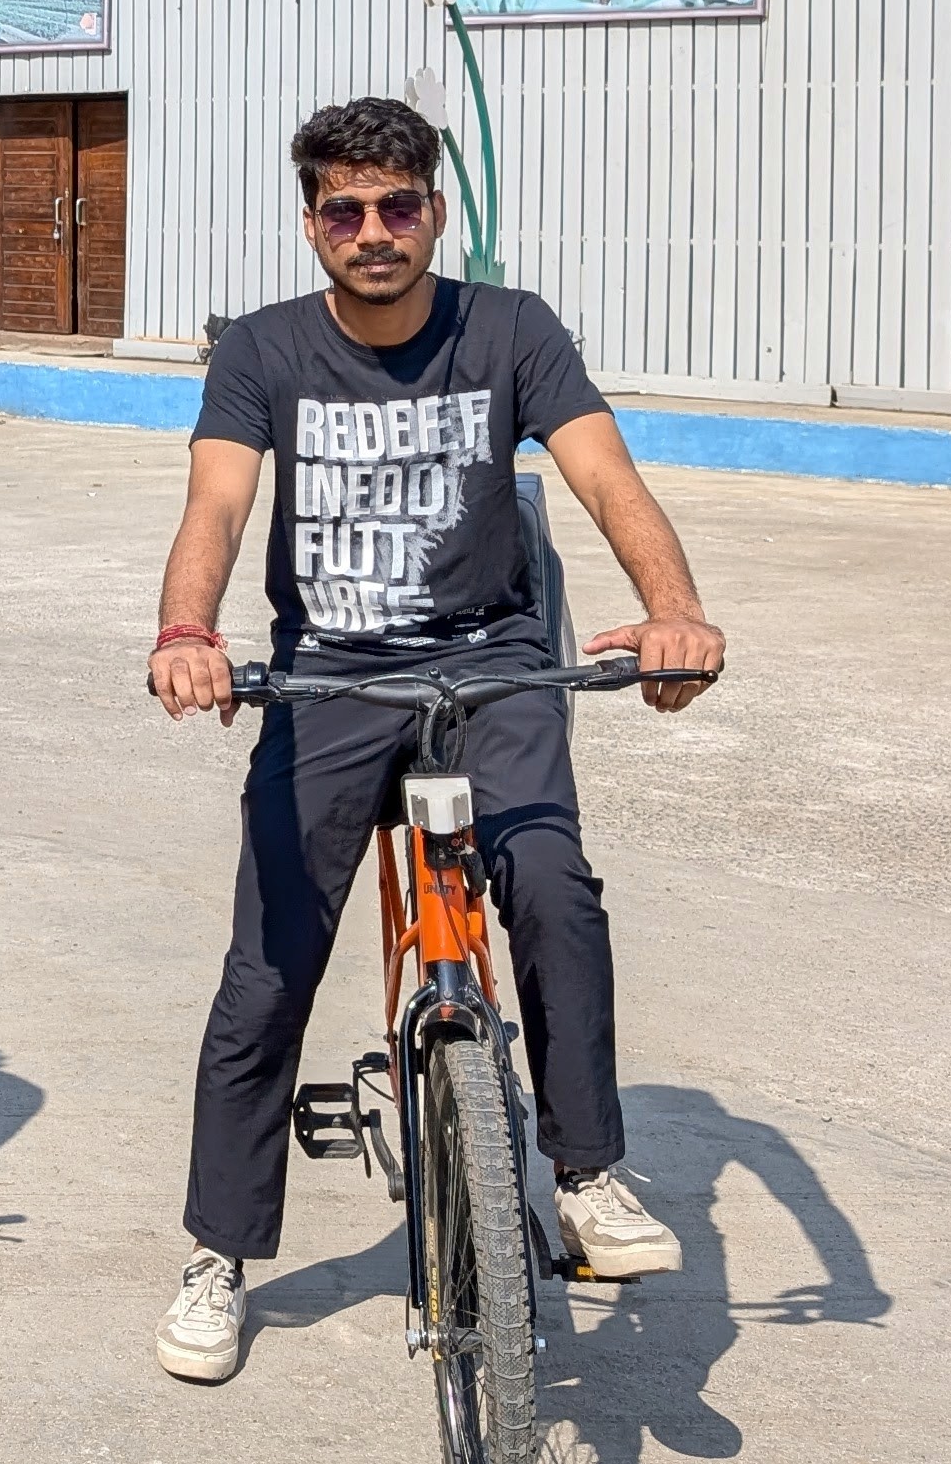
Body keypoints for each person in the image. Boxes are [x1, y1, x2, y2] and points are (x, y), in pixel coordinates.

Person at [146, 95, 727, 1386]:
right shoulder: (262, 351)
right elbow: (217, 502)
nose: (374, 233)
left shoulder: (510, 330)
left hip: (495, 664)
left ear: (434, 214)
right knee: (269, 968)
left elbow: (605, 476)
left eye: (398, 206)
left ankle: (585, 1176)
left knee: (556, 889)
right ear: (312, 226)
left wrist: (673, 614)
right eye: (345, 210)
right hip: (333, 681)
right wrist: (189, 628)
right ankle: (218, 1255)